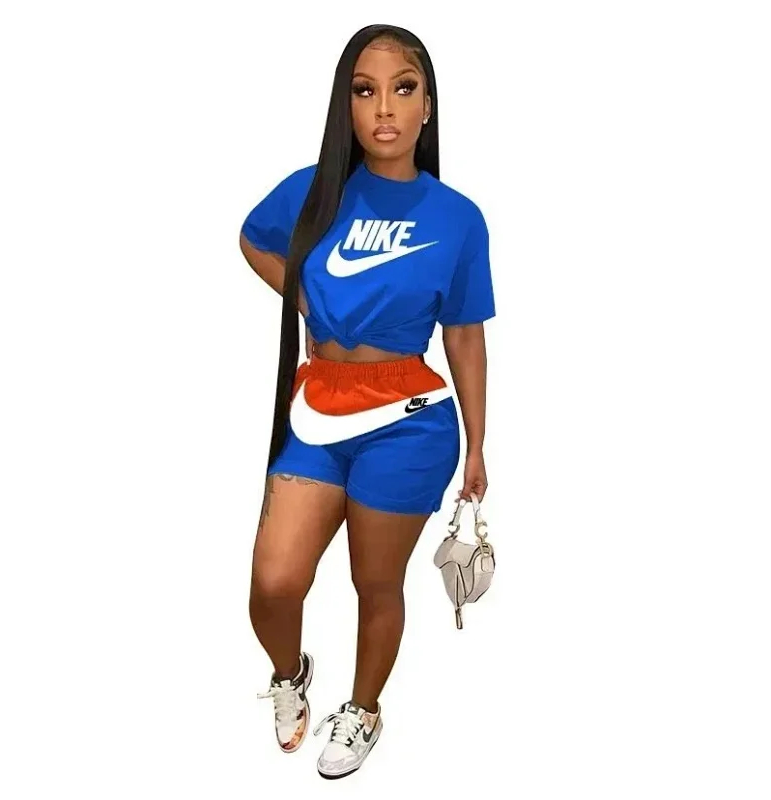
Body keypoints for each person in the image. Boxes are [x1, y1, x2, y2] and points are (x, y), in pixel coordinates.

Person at [239, 24, 495, 779]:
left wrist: (478, 447)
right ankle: (290, 674)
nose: (384, 107)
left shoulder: (458, 218)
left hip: (408, 420)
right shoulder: (314, 189)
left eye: (403, 88)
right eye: (365, 90)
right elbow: (253, 238)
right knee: (275, 581)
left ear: (427, 106)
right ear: (345, 104)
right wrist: (304, 301)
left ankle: (364, 709)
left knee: (374, 582)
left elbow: (466, 337)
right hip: (319, 404)